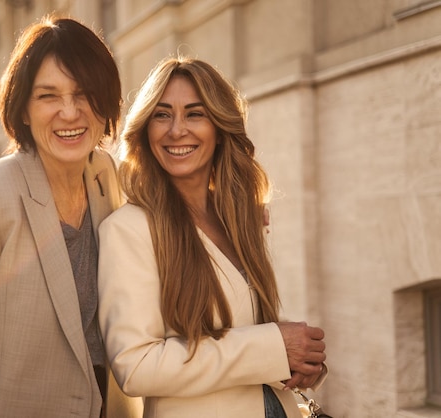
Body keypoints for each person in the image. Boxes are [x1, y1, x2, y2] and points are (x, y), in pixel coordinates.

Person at [0, 15, 142, 418]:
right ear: (22, 109)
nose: (70, 112)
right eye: (48, 96)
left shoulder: (105, 174)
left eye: (84, 93)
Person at [97, 56, 328, 418]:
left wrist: (297, 363)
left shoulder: (239, 218)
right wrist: (274, 347)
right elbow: (136, 365)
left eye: (194, 113)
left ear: (220, 127)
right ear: (144, 129)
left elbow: (241, 327)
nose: (176, 130)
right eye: (161, 114)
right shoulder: (128, 230)